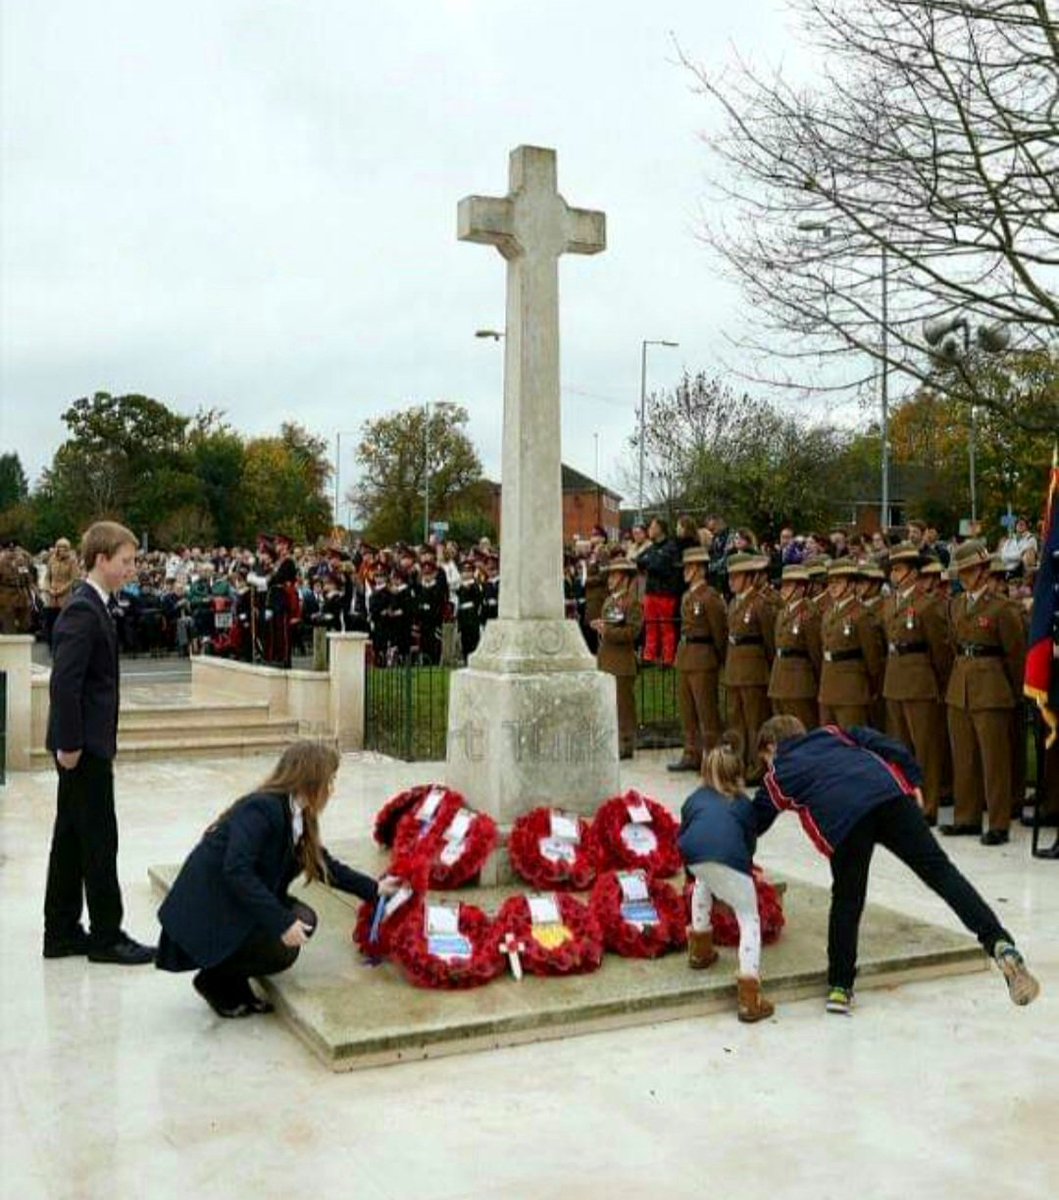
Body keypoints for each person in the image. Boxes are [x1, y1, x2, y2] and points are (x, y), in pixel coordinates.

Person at [753, 715, 1040, 1014]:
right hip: (890, 797)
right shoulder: (836, 733)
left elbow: (755, 820)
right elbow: (887, 745)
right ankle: (998, 941)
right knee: (941, 873)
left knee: (847, 900)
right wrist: (912, 779)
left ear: (772, 746)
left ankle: (840, 987)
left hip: (845, 822)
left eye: (766, 759)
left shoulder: (780, 772)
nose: (768, 766)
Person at [157, 741, 403, 1017]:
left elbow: (322, 864)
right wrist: (281, 922)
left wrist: (374, 888)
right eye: (329, 780)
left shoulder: (299, 814)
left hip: (236, 903)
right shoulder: (261, 809)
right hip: (212, 908)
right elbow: (237, 870)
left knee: (304, 920)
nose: (332, 789)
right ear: (311, 778)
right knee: (282, 947)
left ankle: (233, 979)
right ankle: (215, 978)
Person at [43, 521, 156, 965]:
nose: (131, 569)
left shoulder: (98, 605)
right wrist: (69, 743)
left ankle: (63, 931)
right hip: (83, 748)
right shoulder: (83, 609)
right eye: (126, 561)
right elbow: (64, 684)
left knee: (70, 838)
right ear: (100, 560)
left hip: (86, 744)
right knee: (98, 839)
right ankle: (107, 935)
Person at [679, 733, 774, 1023]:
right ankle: (749, 995)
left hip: (694, 855)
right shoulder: (742, 803)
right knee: (748, 917)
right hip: (730, 858)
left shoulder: (694, 799)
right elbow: (749, 841)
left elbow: (685, 830)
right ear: (739, 774)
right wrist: (743, 868)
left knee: (704, 882)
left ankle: (700, 950)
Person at [943, 539, 1026, 845]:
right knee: (963, 757)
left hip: (991, 687)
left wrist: (1016, 691)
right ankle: (966, 817)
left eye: (970, 570)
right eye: (962, 572)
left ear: (983, 570)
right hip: (960, 684)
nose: (965, 576)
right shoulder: (956, 604)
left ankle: (999, 822)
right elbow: (952, 643)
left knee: (994, 760)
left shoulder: (1002, 608)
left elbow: (1015, 653)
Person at [881, 543, 952, 826]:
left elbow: (941, 650)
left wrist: (939, 684)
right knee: (900, 749)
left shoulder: (928, 604)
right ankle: (907, 801)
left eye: (898, 569)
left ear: (912, 572)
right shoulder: (893, 603)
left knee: (926, 748)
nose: (894, 574)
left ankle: (928, 805)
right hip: (896, 677)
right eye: (893, 569)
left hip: (920, 680)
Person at [668, 547, 728, 772]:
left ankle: (714, 757)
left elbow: (719, 632)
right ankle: (691, 753)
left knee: (706, 711)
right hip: (686, 656)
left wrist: (719, 658)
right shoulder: (687, 595)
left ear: (700, 569)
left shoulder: (709, 597)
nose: (685, 571)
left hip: (703, 657)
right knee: (688, 710)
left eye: (689, 567)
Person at [722, 552, 776, 780]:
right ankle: (739, 761)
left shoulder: (760, 604)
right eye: (730, 576)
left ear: (748, 578)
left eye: (736, 576)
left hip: (754, 670)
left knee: (755, 720)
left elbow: (769, 641)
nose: (731, 581)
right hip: (735, 667)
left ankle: (759, 765)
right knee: (736, 719)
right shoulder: (734, 602)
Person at [592, 558, 643, 759]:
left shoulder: (632, 602)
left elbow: (633, 632)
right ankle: (613, 740)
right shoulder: (609, 601)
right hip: (607, 659)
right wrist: (602, 628)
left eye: (614, 575)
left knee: (623, 706)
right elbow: (610, 626)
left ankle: (626, 742)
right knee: (610, 704)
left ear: (624, 578)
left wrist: (608, 631)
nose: (610, 579)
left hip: (622, 662)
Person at [768, 563, 822, 730]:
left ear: (801, 588)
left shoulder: (809, 614)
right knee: (782, 731)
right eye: (783, 585)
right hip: (779, 679)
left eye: (789, 585)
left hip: (799, 682)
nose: (783, 589)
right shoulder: (782, 613)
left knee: (802, 727)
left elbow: (815, 653)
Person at [637, 517, 683, 665]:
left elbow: (660, 566)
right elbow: (639, 559)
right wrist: (652, 561)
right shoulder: (652, 548)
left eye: (652, 526)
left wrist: (650, 563)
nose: (649, 529)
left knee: (666, 626)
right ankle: (649, 656)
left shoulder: (671, 547)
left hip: (666, 592)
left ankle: (668, 657)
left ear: (660, 528)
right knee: (650, 625)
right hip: (651, 591)